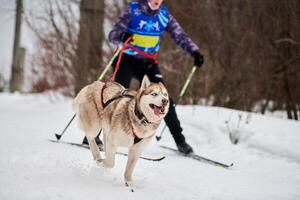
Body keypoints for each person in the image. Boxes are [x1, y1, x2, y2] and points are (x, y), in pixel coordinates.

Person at [83, 0, 204, 154]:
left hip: (148, 63)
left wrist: (195, 52)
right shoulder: (134, 11)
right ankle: (92, 136)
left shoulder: (164, 15)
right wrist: (122, 36)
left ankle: (180, 141)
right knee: (114, 96)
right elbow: (112, 35)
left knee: (164, 98)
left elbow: (180, 36)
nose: (156, 1)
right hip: (126, 59)